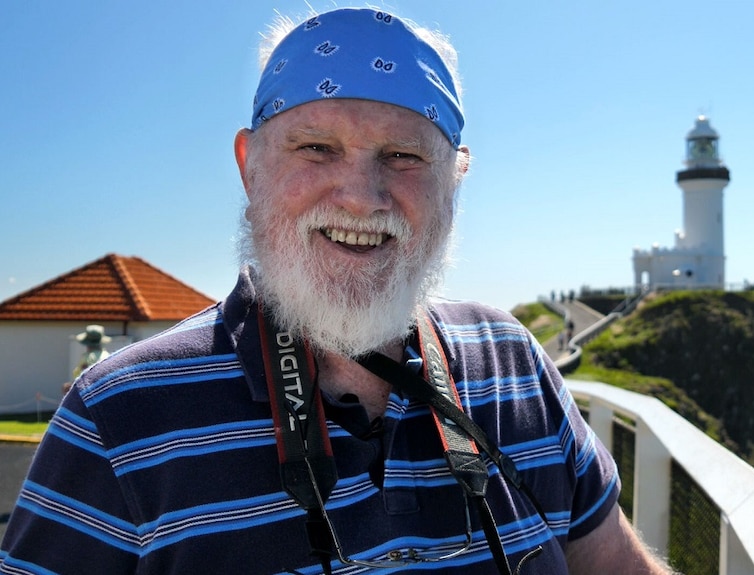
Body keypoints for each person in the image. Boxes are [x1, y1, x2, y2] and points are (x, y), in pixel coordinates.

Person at [0, 8, 673, 574]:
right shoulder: (121, 417)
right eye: (316, 148)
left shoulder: (514, 363)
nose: (360, 196)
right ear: (250, 168)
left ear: (455, 181)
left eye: (404, 156)